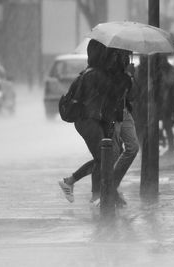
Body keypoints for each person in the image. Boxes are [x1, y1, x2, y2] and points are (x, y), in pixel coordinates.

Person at [58, 43, 139, 206]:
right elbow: (113, 92)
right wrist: (128, 77)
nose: (118, 58)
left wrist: (127, 76)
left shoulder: (100, 72)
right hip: (87, 120)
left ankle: (80, 185)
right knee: (105, 157)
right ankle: (99, 194)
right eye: (116, 55)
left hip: (95, 119)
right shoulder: (95, 74)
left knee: (106, 156)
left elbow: (126, 95)